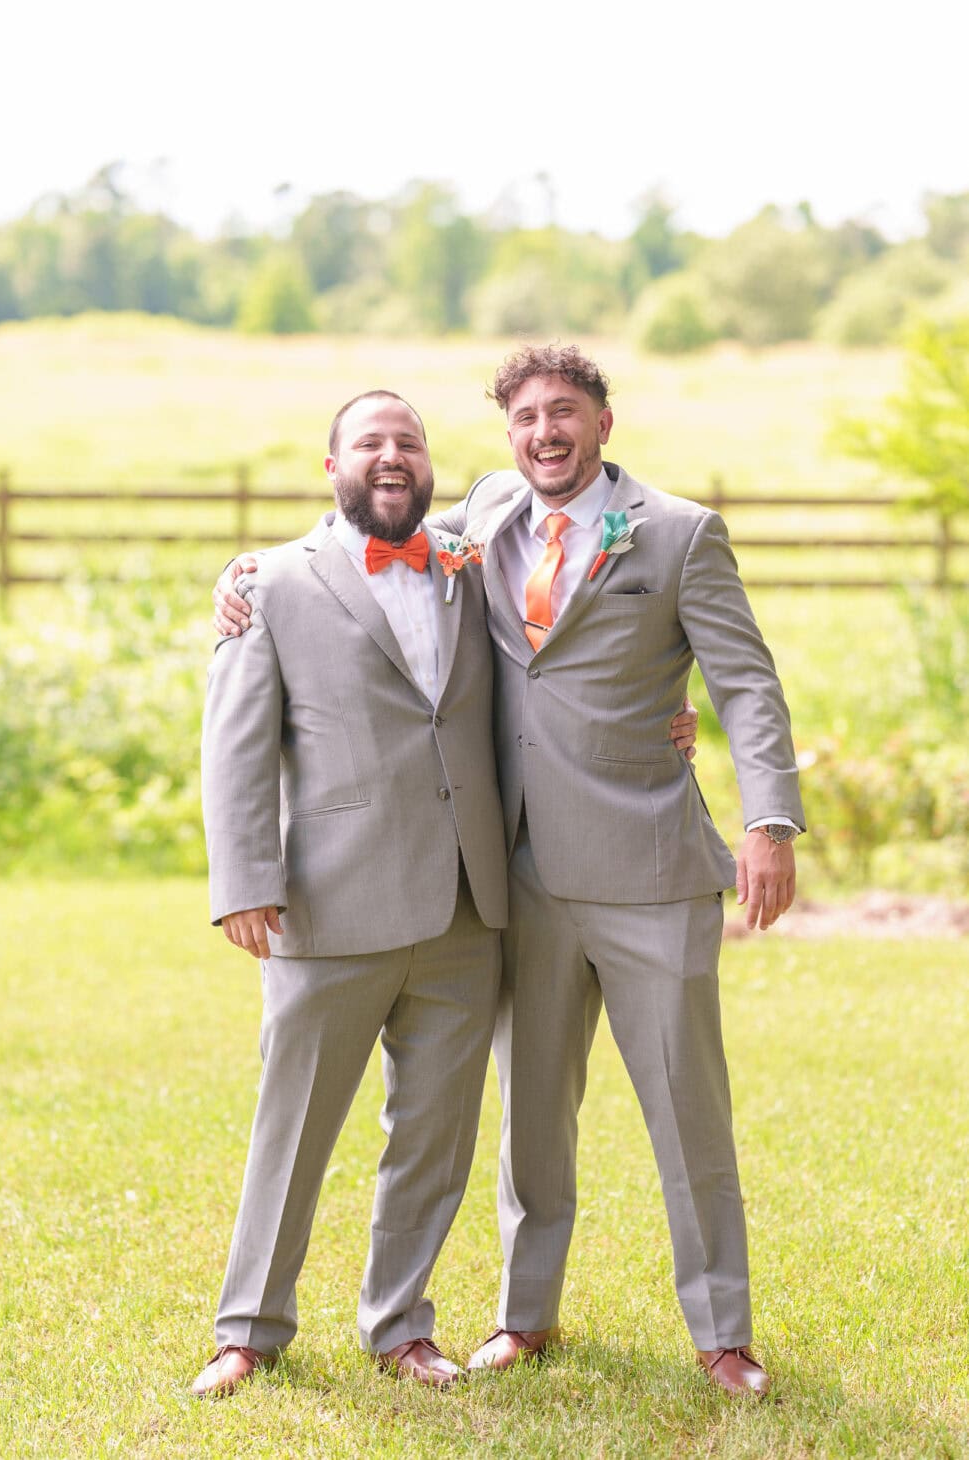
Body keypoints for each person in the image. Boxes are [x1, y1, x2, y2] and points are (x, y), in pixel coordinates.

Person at [216, 347, 797, 1397]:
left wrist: (767, 818)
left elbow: (744, 683)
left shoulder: (675, 534)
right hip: (514, 881)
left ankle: (721, 1334)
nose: (544, 432)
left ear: (602, 423)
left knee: (686, 1110)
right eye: (525, 416)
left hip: (648, 865)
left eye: (563, 413)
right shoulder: (479, 525)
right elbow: (359, 544)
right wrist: (247, 573)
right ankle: (523, 1317)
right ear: (506, 437)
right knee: (532, 1117)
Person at [194, 389, 509, 1395]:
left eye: (407, 443)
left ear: (430, 468)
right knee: (291, 1131)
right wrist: (245, 880)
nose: (390, 456)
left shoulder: (472, 563)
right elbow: (235, 743)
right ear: (330, 466)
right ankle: (248, 1329)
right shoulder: (270, 583)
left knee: (433, 1135)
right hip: (325, 908)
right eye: (368, 442)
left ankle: (399, 1324)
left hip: (465, 910)